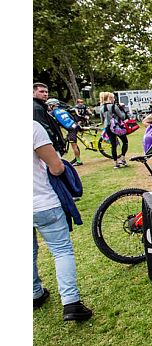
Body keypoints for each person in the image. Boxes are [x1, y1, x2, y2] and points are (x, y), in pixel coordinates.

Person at [33, 120, 93, 321]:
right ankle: (71, 301)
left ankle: (34, 293)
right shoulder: (32, 127)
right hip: (42, 200)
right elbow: (56, 167)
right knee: (61, 251)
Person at [33, 83, 67, 156]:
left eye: (46, 92)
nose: (45, 94)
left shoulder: (41, 106)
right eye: (41, 92)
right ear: (33, 93)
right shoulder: (36, 108)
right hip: (48, 146)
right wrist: (55, 144)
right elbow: (43, 129)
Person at [46, 99, 83, 166]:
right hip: (74, 125)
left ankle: (78, 161)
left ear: (52, 105)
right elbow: (71, 117)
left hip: (70, 129)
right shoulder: (63, 110)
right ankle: (77, 159)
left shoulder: (53, 113)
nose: (48, 107)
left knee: (74, 146)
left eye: (49, 105)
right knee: (74, 144)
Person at [100, 92, 129, 168]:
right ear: (110, 98)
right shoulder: (114, 106)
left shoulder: (102, 108)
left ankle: (115, 162)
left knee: (113, 145)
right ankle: (122, 158)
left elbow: (102, 120)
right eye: (113, 98)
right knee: (125, 142)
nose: (114, 99)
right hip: (117, 127)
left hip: (108, 127)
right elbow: (122, 116)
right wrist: (122, 109)